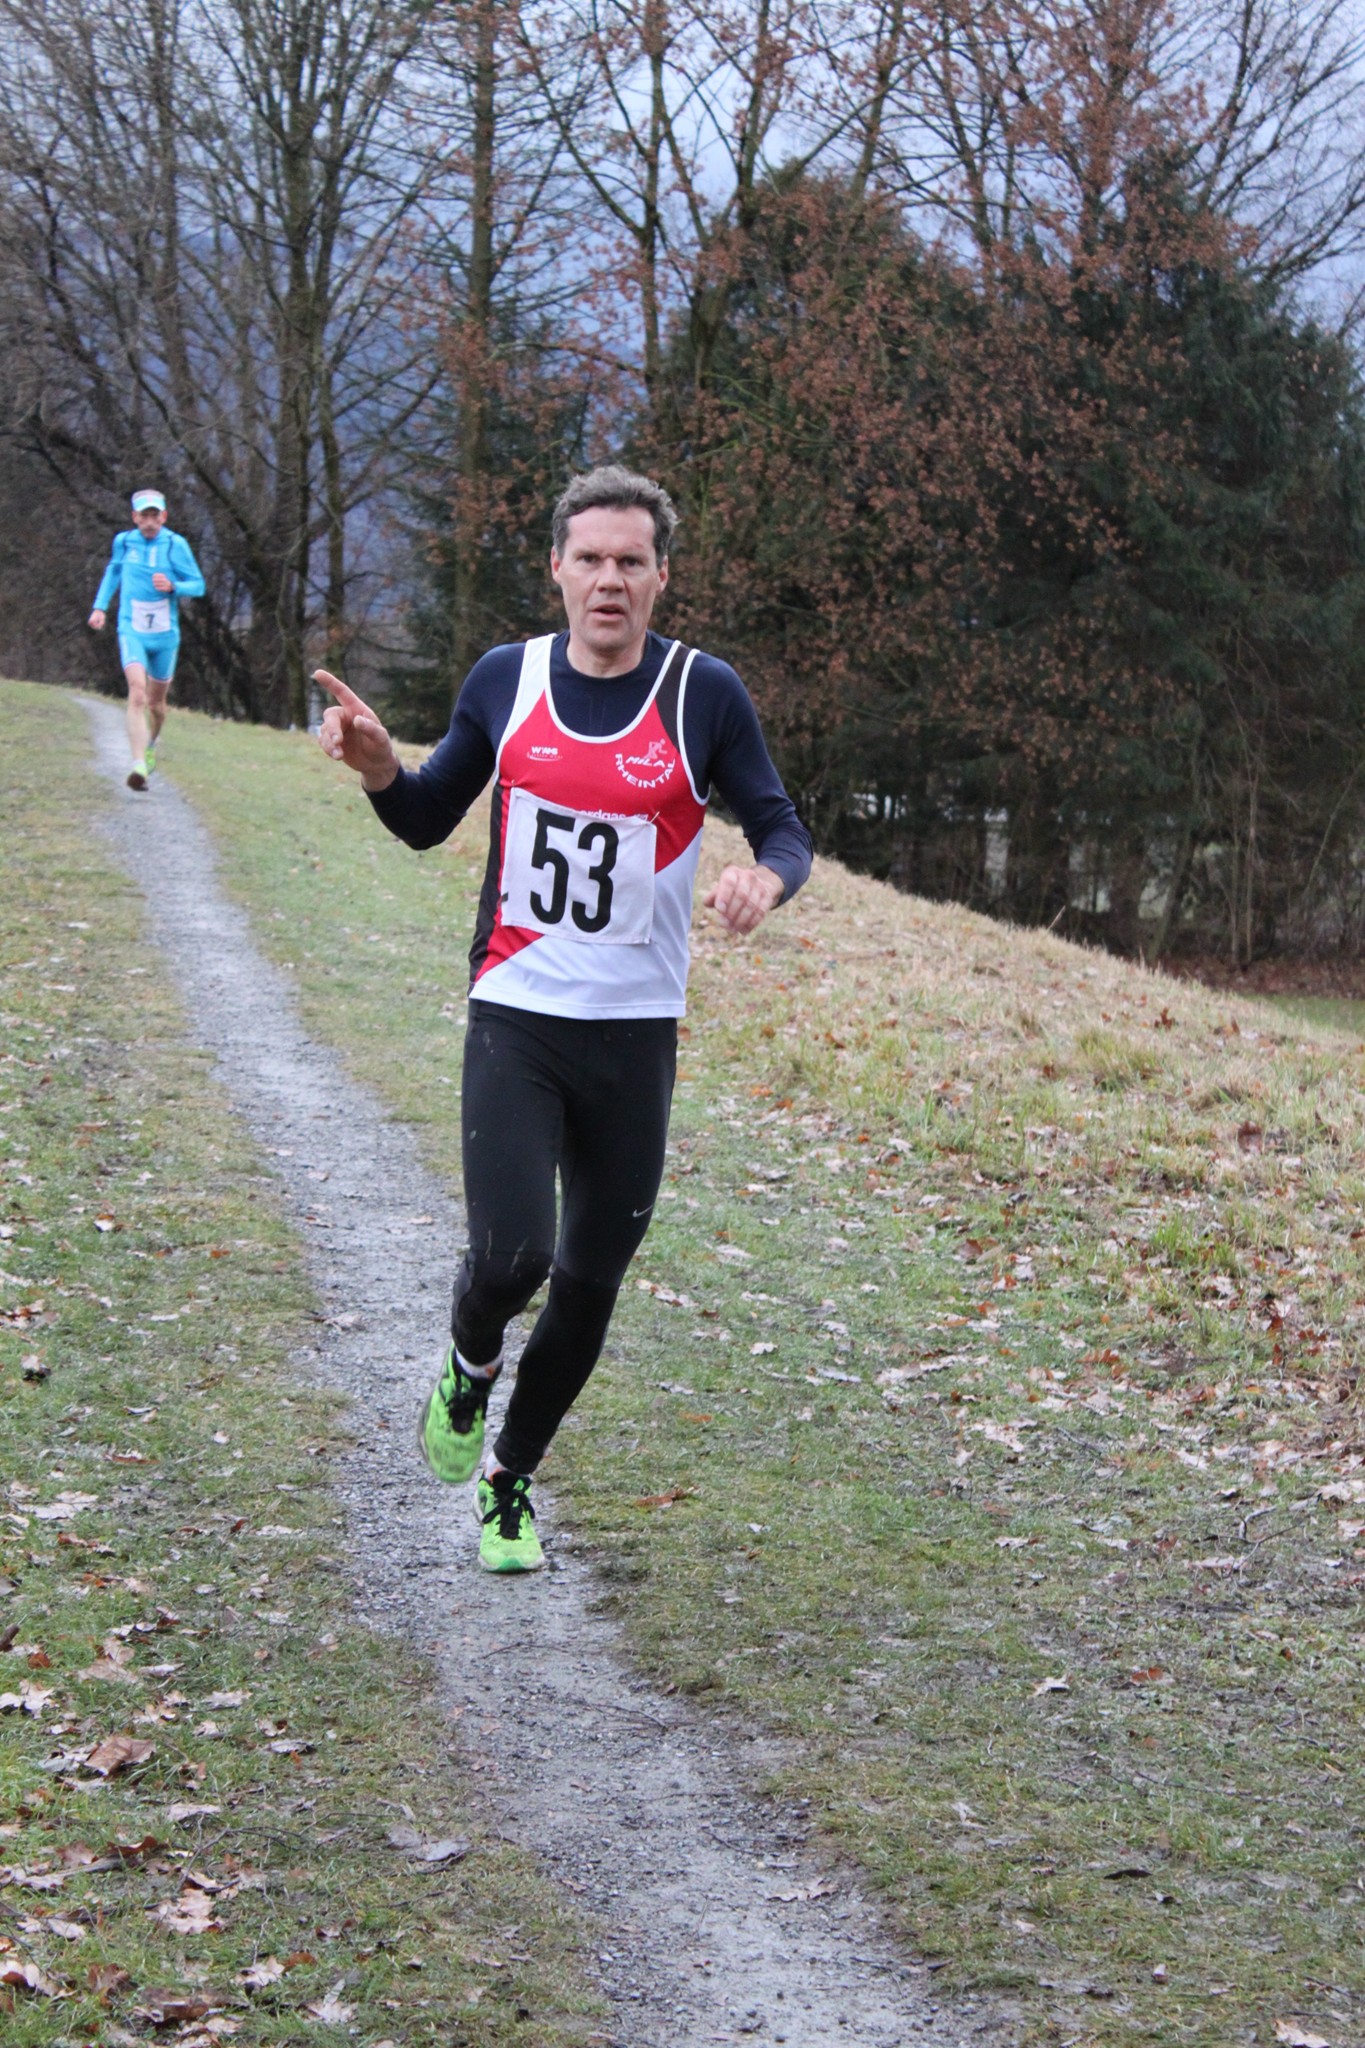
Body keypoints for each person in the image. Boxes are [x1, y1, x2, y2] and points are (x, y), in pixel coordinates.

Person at [316, 464, 812, 1573]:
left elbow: (783, 827)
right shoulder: (508, 678)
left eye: (631, 561)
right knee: (512, 1255)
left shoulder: (702, 695)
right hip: (518, 1014)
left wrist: (766, 883)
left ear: (661, 578)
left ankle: (511, 1478)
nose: (609, 579)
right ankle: (468, 1355)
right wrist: (382, 768)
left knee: (590, 1279)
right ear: (556, 568)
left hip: (636, 1034)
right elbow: (429, 813)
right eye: (589, 558)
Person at [89, 489, 206, 790]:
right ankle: (138, 764)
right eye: (145, 515)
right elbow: (113, 572)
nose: (150, 521)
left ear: (164, 517)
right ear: (135, 517)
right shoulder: (124, 542)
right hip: (132, 628)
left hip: (165, 636)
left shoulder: (175, 545)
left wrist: (173, 586)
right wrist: (100, 607)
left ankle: (152, 742)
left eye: (156, 515)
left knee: (156, 704)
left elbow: (198, 586)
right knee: (137, 693)